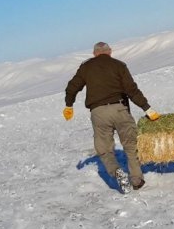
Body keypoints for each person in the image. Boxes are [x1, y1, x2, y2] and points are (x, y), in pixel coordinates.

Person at [64, 41, 160, 191]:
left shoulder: (86, 67)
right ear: (110, 51)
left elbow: (72, 88)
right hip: (120, 109)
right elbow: (131, 89)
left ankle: (116, 171)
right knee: (131, 145)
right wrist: (147, 108)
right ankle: (136, 180)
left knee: (104, 149)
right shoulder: (119, 65)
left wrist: (69, 105)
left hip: (98, 113)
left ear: (94, 53)